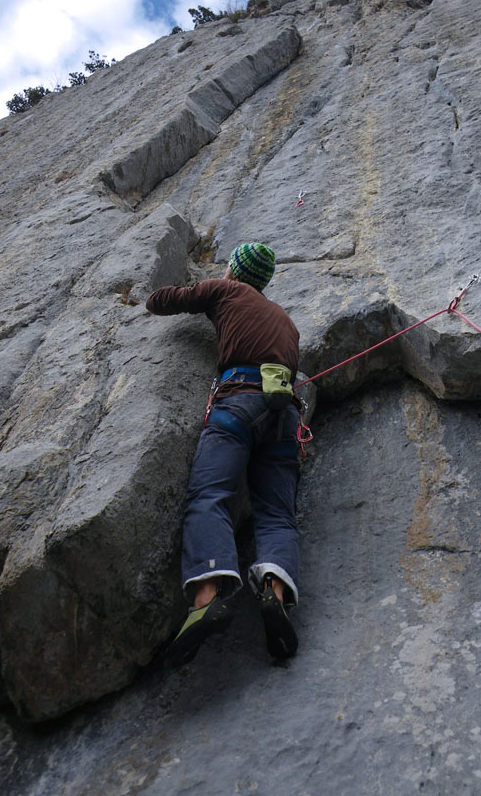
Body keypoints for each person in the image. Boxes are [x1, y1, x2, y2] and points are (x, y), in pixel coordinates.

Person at [146, 242, 302, 666]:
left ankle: (207, 598)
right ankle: (275, 593)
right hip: (284, 417)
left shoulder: (225, 291)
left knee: (209, 495)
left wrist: (150, 293)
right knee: (277, 513)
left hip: (237, 403)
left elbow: (166, 301)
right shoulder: (287, 322)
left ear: (235, 271)